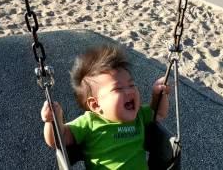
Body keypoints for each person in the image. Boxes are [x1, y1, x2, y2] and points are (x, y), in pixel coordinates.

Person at [41, 44, 171, 169]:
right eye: (118, 88)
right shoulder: (89, 123)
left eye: (131, 85)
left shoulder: (139, 115)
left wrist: (158, 95)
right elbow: (58, 139)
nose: (130, 91)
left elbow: (158, 113)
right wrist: (52, 120)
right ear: (96, 104)